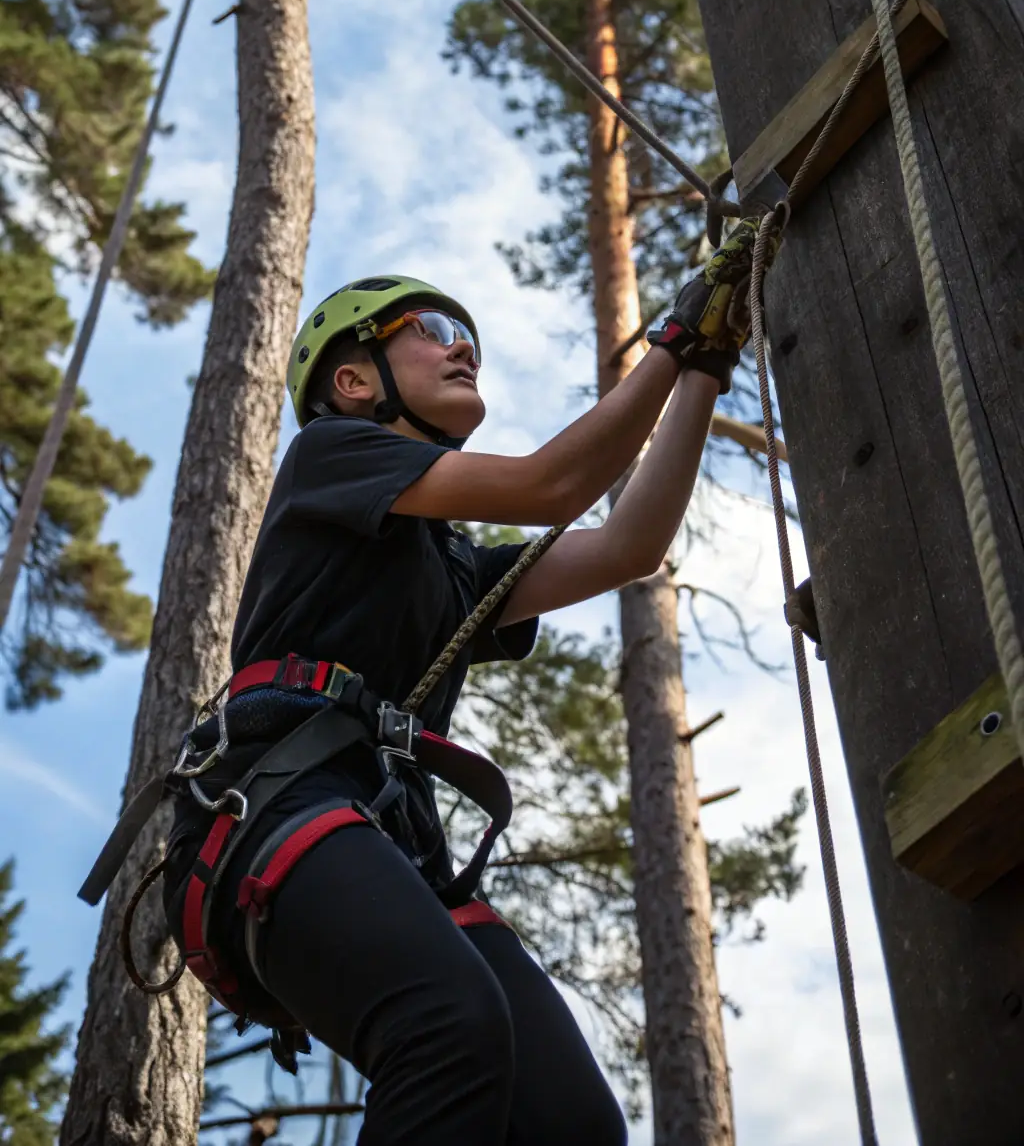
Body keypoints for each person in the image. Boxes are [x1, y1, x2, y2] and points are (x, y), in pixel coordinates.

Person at [158, 224, 770, 1146]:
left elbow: (627, 544)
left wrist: (705, 368)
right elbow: (554, 485)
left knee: (570, 1119)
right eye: (432, 327)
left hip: (383, 836)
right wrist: (674, 340)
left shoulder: (448, 562)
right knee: (450, 1024)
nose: (462, 345)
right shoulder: (329, 455)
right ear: (354, 380)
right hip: (275, 802)